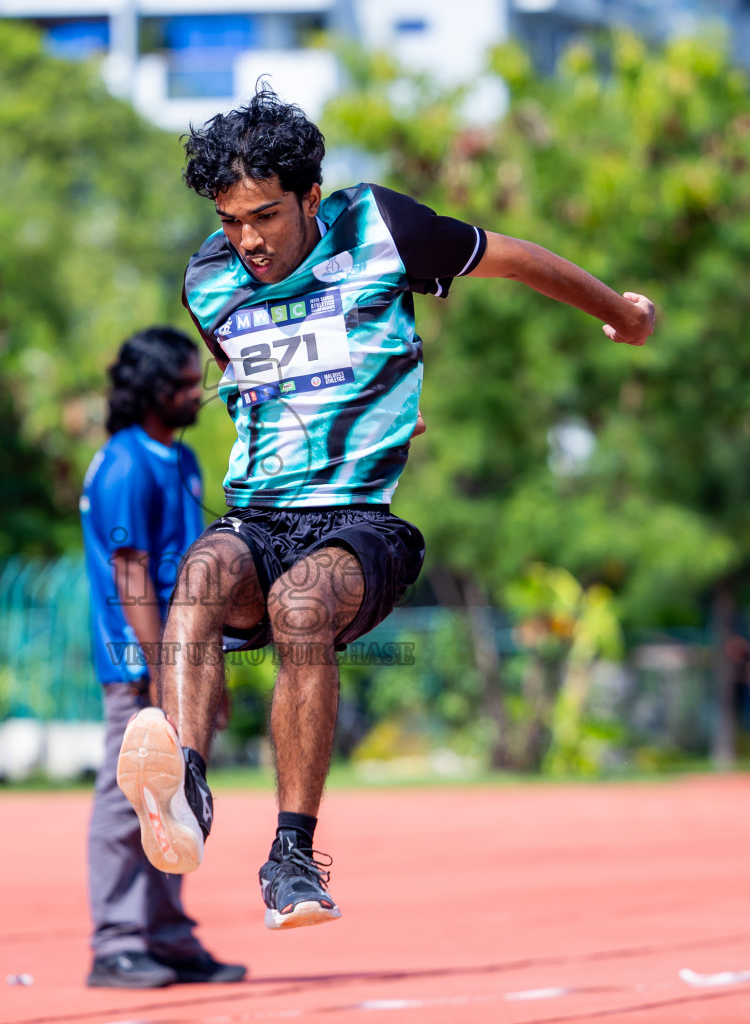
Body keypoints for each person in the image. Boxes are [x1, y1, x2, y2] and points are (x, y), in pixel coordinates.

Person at [116, 90, 657, 931]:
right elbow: (250, 376)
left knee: (301, 608)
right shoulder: (208, 280)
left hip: (359, 519)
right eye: (231, 221)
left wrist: (620, 314)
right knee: (200, 571)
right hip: (260, 514)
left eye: (265, 215)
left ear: (308, 195)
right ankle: (184, 788)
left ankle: (293, 856)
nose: (249, 239)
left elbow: (515, 259)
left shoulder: (381, 229)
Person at [80, 326, 245, 988]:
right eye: (181, 384)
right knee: (128, 805)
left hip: (184, 662)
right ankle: (117, 942)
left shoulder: (181, 460)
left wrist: (210, 673)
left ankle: (169, 937)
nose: (193, 394)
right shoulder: (124, 462)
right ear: (151, 391)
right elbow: (132, 573)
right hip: (140, 665)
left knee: (176, 803)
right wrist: (160, 673)